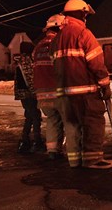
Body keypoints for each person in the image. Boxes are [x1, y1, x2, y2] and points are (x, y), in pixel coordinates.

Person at [51, 0, 112, 169]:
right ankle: (92, 160)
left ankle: (74, 161)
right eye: (85, 14)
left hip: (64, 95)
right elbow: (97, 65)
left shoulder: (57, 39)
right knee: (93, 124)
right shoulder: (83, 34)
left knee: (73, 127)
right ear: (81, 13)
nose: (86, 17)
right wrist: (105, 85)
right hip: (85, 93)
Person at [33, 13, 66, 160]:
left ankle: (52, 151)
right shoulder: (59, 43)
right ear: (59, 28)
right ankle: (73, 152)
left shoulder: (38, 47)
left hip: (42, 92)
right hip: (57, 90)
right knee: (68, 121)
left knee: (52, 120)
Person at [14, 41, 46, 154]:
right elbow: (30, 80)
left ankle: (25, 140)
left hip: (23, 94)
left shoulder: (20, 61)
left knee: (29, 117)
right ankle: (37, 141)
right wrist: (36, 92)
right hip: (29, 95)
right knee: (36, 117)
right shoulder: (26, 61)